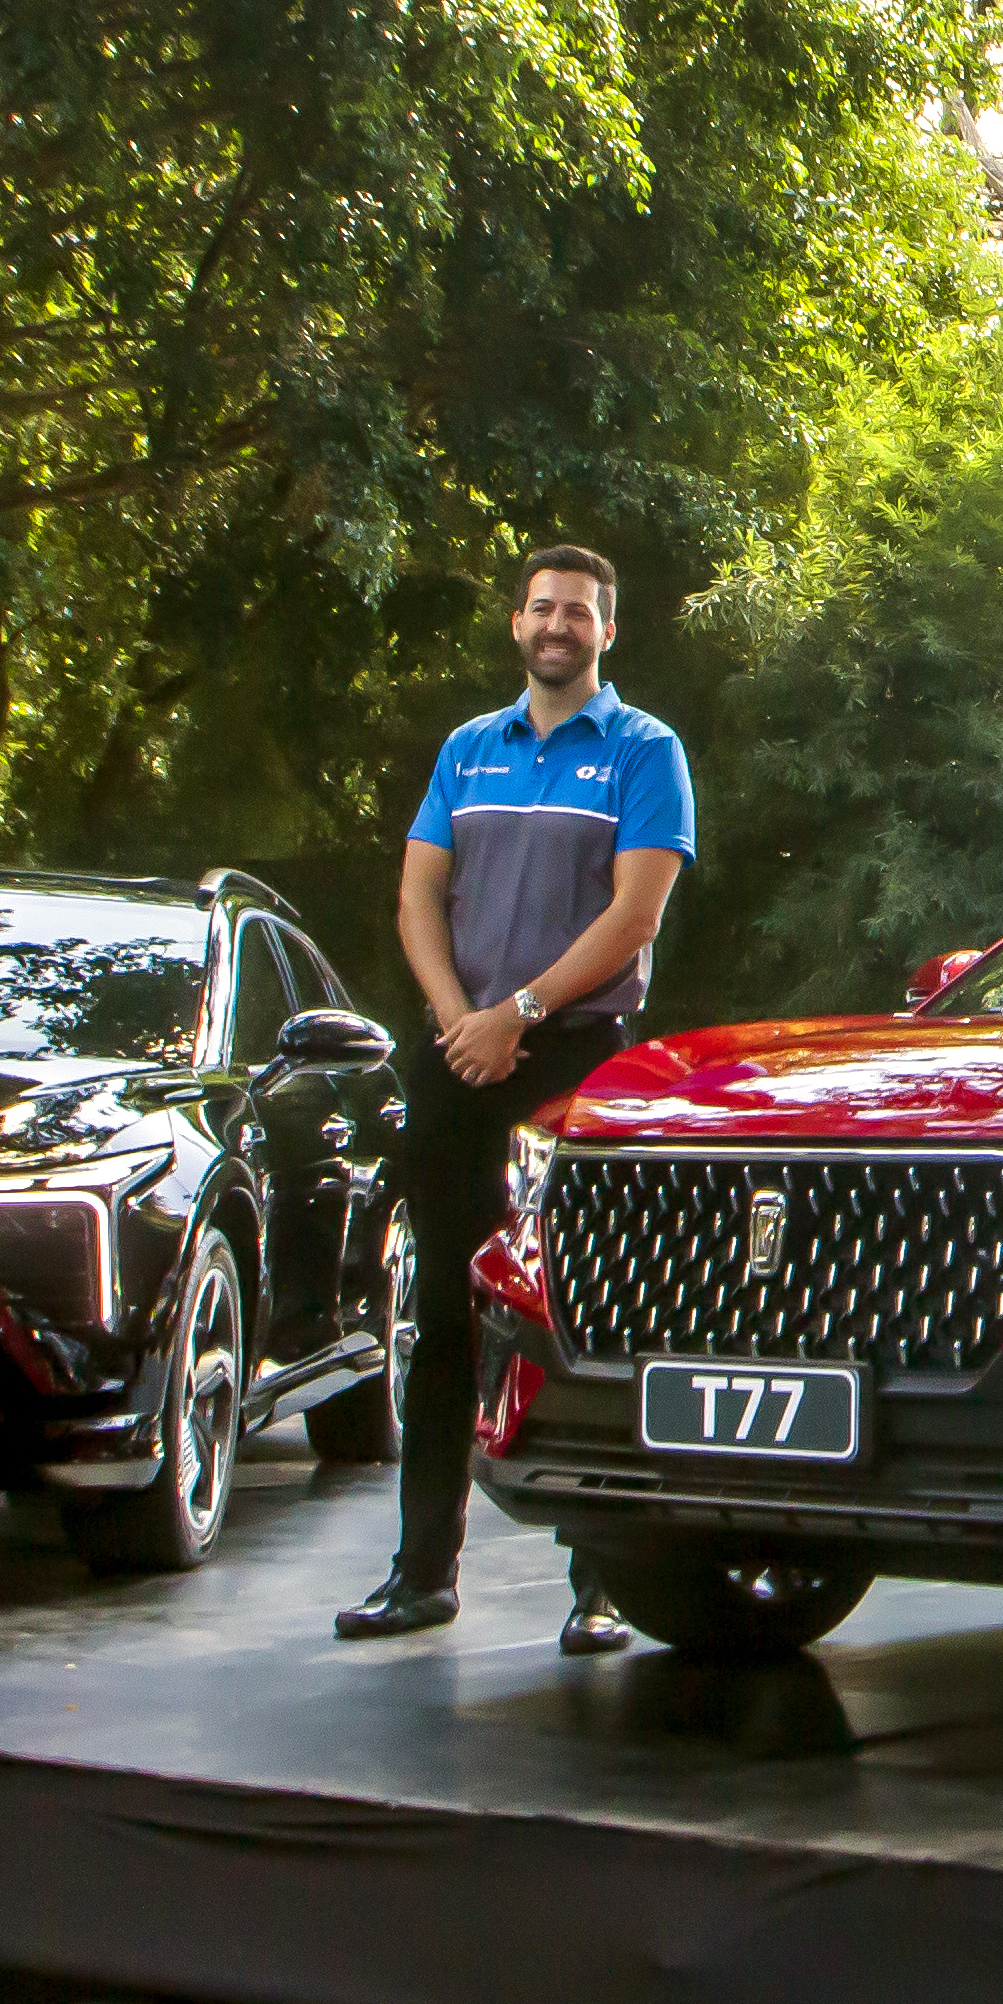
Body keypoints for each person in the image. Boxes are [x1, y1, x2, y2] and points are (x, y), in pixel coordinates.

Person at [338, 544, 693, 1649]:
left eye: (578, 610)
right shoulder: (466, 748)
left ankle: (600, 1584)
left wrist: (520, 1013)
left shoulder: (646, 750)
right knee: (442, 1311)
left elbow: (635, 916)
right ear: (516, 623)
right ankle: (421, 1572)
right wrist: (459, 1018)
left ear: (606, 630)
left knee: (582, 1312)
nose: (557, 624)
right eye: (542, 606)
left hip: (573, 1058)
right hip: (460, 1051)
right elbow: (416, 894)